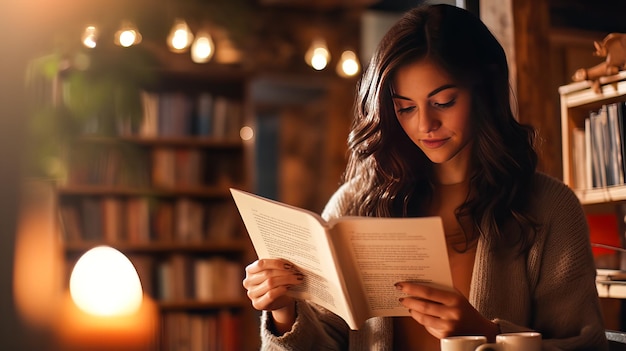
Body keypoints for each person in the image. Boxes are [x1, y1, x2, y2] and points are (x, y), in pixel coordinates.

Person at [242, 3, 608, 350]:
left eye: (443, 102)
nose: (424, 125)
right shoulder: (356, 204)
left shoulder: (548, 209)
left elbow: (585, 345)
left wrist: (485, 335)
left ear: (485, 93)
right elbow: (329, 340)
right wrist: (283, 312)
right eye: (405, 108)